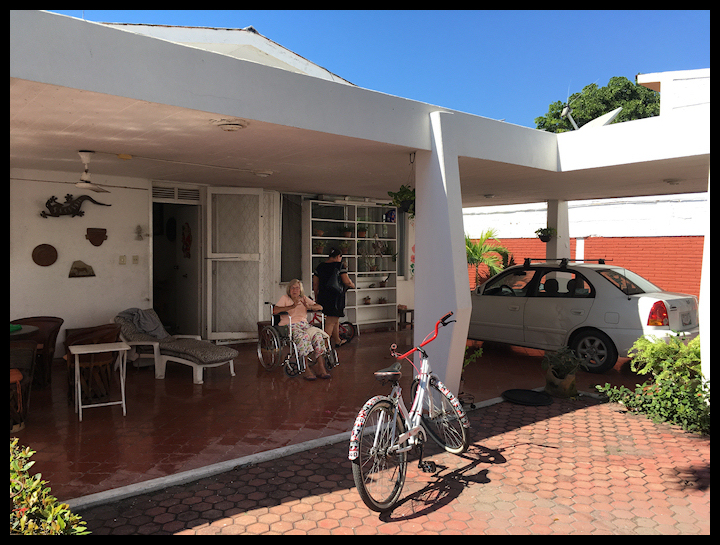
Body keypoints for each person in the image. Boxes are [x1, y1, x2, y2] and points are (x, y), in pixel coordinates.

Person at [274, 279, 331, 380]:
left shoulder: (303, 298)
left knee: (317, 336)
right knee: (303, 337)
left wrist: (309, 306)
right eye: (292, 288)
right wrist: (292, 306)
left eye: (297, 288)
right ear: (289, 290)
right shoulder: (285, 298)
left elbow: (320, 307)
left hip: (304, 325)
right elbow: (275, 310)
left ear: (300, 290)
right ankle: (306, 368)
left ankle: (320, 366)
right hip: (290, 325)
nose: (295, 290)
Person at [313, 248, 355, 347]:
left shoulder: (320, 267)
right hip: (336, 298)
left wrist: (316, 296)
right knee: (330, 322)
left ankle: (337, 340)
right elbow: (346, 281)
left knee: (334, 319)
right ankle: (324, 346)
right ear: (338, 256)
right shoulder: (340, 266)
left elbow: (315, 283)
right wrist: (352, 285)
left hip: (323, 297)